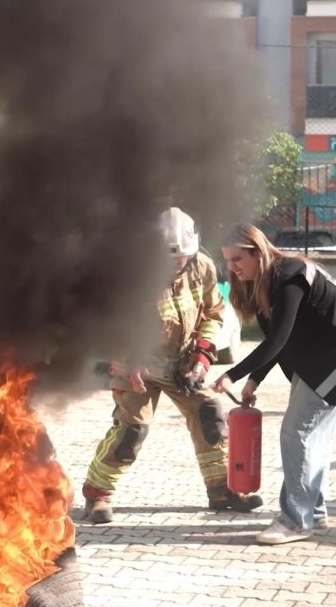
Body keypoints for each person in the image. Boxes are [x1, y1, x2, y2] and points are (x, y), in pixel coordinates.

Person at [82, 207, 263, 524]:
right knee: (131, 431)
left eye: (181, 258)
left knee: (210, 416)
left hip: (183, 363)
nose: (176, 264)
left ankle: (222, 490)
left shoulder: (202, 266)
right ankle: (97, 494)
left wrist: (203, 356)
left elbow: (213, 313)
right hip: (138, 366)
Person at [213, 223, 336, 545]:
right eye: (227, 260)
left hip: (329, 363)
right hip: (317, 365)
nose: (232, 267)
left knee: (296, 434)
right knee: (314, 438)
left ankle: (296, 520)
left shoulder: (290, 275)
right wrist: (254, 379)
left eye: (237, 259)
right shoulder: (266, 284)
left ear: (258, 252)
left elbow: (278, 340)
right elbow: (278, 340)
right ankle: (314, 513)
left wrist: (233, 374)